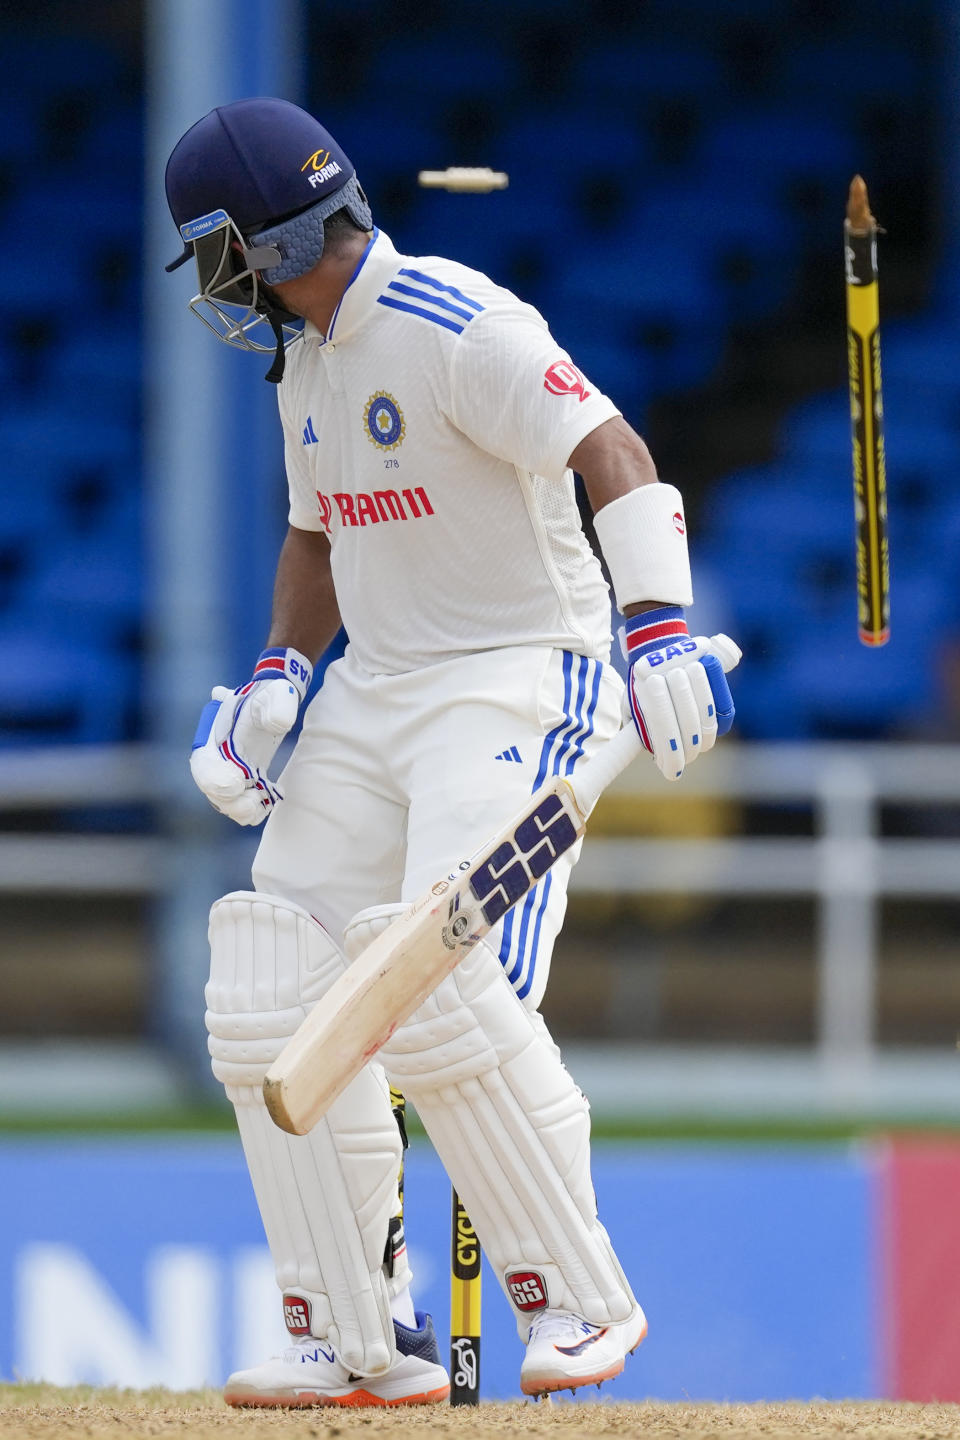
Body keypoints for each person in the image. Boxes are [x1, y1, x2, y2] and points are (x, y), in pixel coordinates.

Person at [164, 97, 739, 1409]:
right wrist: (277, 678)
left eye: (212, 249)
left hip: (525, 676)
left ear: (263, 234)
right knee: (262, 966)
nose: (210, 281)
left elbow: (612, 450)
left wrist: (656, 632)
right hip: (380, 688)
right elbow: (317, 537)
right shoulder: (305, 361)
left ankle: (580, 1300)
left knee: (427, 959)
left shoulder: (454, 317)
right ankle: (359, 1338)